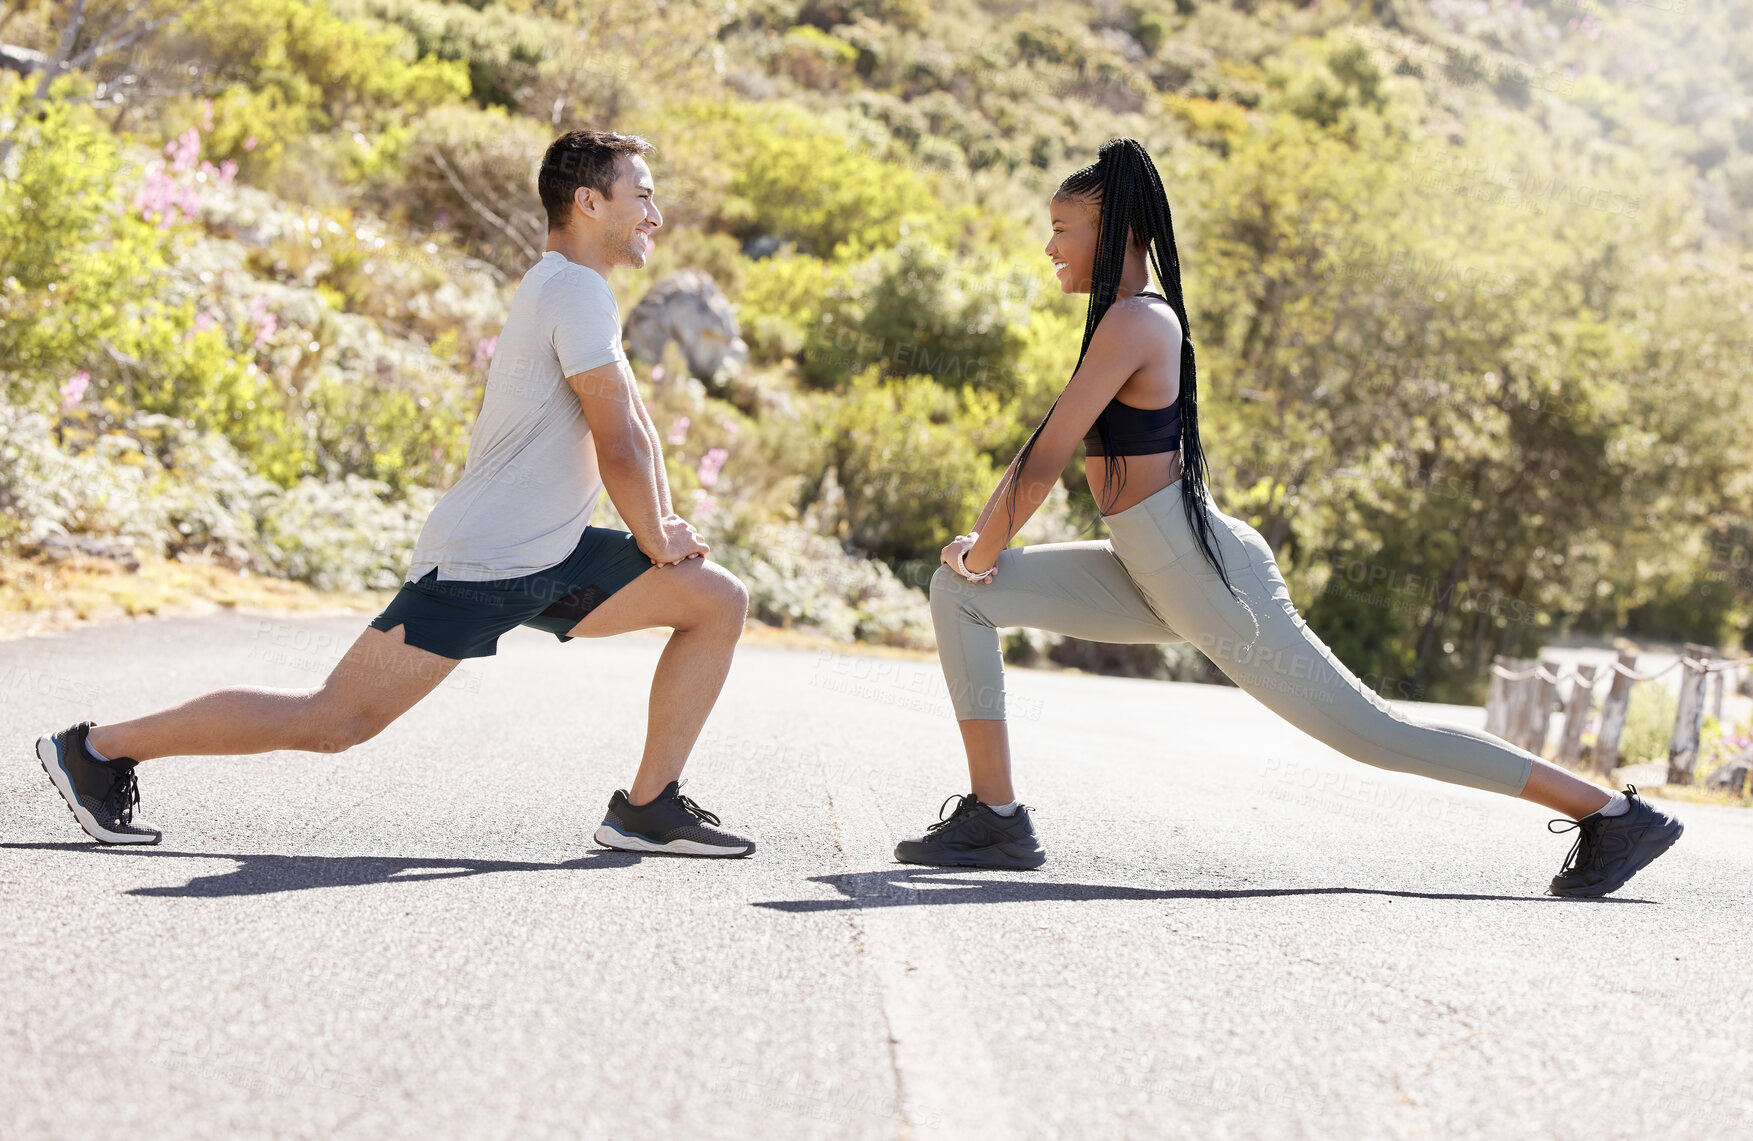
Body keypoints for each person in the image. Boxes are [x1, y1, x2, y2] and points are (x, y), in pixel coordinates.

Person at [894, 137, 1681, 899]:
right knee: (959, 592)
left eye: (1063, 229)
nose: (1049, 246)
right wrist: (976, 555)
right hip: (1148, 561)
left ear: (1118, 233)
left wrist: (983, 545)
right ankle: (995, 817)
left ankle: (1612, 814)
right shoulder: (1120, 321)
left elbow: (1045, 459)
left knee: (1373, 734)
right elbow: (1039, 446)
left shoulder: (1138, 320)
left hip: (1199, 572)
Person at [34, 130, 757, 858]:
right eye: (642, 197)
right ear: (589, 201)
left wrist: (659, 523)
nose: (654, 216)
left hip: (549, 556)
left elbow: (631, 423)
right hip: (485, 562)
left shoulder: (578, 292)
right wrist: (657, 537)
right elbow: (618, 443)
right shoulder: (570, 288)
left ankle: (646, 807)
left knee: (714, 599)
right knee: (333, 721)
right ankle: (96, 751)